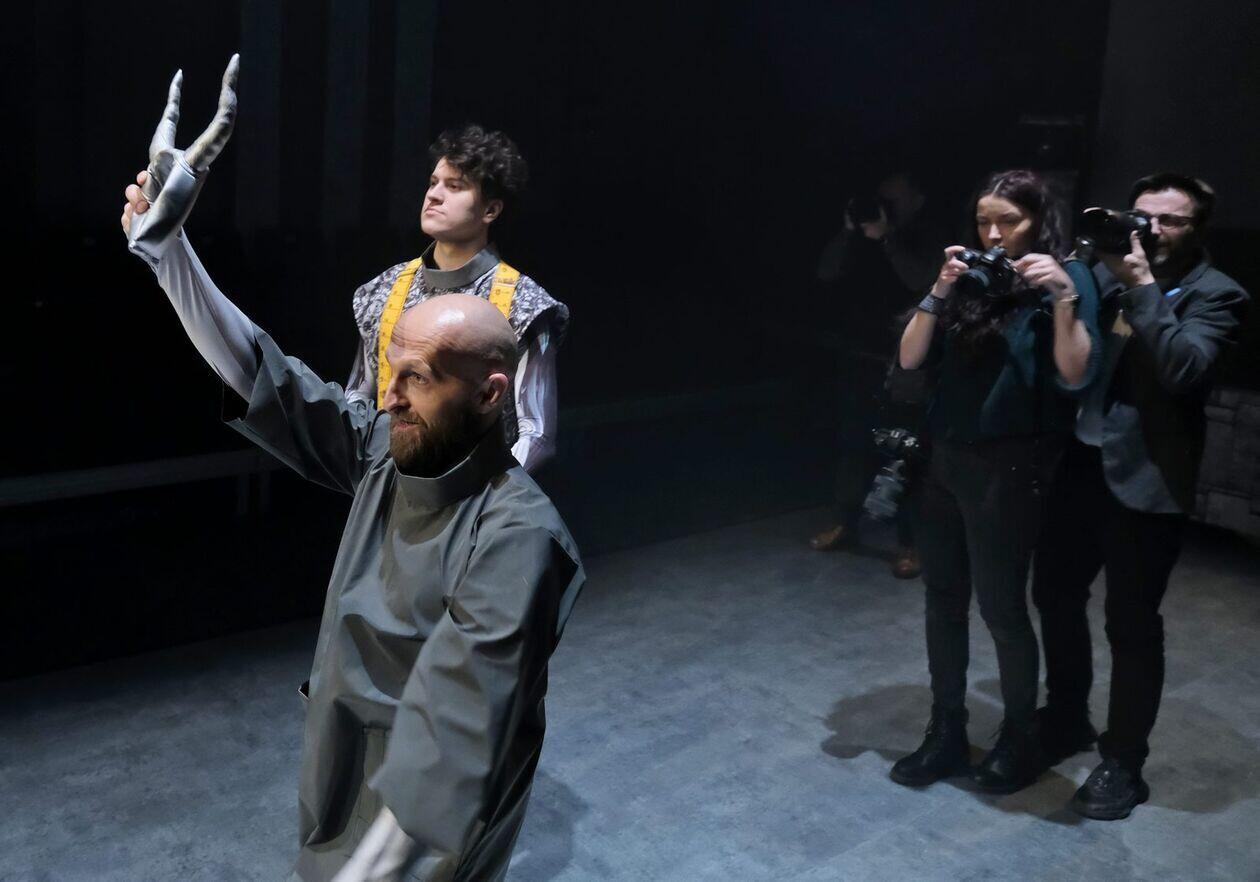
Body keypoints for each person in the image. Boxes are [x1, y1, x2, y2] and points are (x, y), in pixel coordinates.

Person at [123, 60, 584, 882]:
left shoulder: (518, 538)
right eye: (392, 371)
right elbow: (282, 383)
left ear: (487, 392)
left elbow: (453, 740)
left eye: (418, 378)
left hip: (459, 540)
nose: (389, 393)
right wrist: (170, 255)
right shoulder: (384, 402)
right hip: (352, 719)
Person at [1032, 172, 1250, 820]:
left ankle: (1124, 761)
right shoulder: (1103, 273)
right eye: (1142, 215)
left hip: (1147, 481)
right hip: (1080, 464)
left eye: (1170, 220)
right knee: (1054, 595)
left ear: (1197, 229)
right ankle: (1066, 715)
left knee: (1131, 625)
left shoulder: (1218, 294)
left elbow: (1184, 368)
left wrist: (1142, 285)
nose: (1150, 228)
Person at [889, 170, 1102, 793]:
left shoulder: (1066, 276)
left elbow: (1075, 374)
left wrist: (1062, 297)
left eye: (1009, 220)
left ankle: (1019, 736)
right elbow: (909, 357)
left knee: (1002, 609)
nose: (994, 233)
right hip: (944, 458)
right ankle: (946, 731)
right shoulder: (976, 276)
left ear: (1039, 220)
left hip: (1010, 465)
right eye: (984, 220)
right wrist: (940, 288)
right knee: (942, 600)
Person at [347, 124, 569, 474]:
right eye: (433, 182)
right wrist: (374, 483)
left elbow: (536, 434)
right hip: (392, 484)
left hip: (479, 493)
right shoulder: (384, 290)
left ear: (490, 210)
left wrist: (482, 496)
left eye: (454, 186)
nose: (434, 195)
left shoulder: (523, 303)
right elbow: (357, 400)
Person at [810, 172, 952, 577]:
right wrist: (848, 231)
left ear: (917, 200)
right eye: (881, 198)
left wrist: (888, 238)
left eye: (894, 199)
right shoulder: (863, 235)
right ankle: (845, 521)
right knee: (853, 442)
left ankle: (911, 542)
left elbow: (919, 278)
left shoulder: (928, 235)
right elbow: (825, 272)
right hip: (859, 353)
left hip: (906, 360)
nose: (885, 206)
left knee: (906, 450)